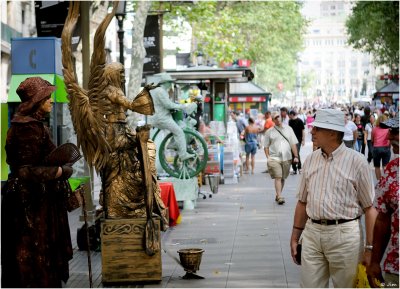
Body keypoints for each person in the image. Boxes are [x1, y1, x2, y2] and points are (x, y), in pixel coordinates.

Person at [290, 108, 376, 288]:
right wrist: (295, 235)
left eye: (317, 128)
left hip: (345, 236)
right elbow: (302, 201)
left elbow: (369, 208)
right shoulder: (311, 160)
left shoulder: (357, 162)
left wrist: (369, 248)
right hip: (312, 233)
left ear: (331, 132)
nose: (312, 131)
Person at [1, 77, 75, 287]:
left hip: (34, 202)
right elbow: (26, 172)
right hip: (29, 206)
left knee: (38, 258)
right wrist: (60, 171)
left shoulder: (32, 125)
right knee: (32, 259)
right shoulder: (27, 129)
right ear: (36, 100)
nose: (51, 101)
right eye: (47, 97)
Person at [367, 116, 399, 288]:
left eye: (395, 132)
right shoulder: (392, 171)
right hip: (395, 268)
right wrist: (374, 261)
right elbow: (382, 219)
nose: (389, 137)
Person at [148, 73, 197, 161]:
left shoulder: (159, 91)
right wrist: (182, 106)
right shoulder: (160, 91)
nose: (171, 85)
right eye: (169, 82)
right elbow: (168, 105)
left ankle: (173, 143)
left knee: (179, 127)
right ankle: (183, 155)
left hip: (161, 116)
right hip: (162, 118)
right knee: (179, 132)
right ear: (165, 82)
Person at [264, 111, 298, 205]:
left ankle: (278, 194)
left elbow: (293, 143)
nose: (278, 118)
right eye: (275, 118)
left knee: (283, 178)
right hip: (274, 158)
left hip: (287, 157)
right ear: (273, 120)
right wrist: (268, 158)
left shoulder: (289, 129)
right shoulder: (269, 132)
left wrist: (296, 156)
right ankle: (279, 196)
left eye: (278, 117)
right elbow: (266, 146)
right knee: (278, 177)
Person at [371, 114, 391, 180]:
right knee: (385, 166)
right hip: (386, 148)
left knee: (377, 167)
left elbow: (372, 140)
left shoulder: (374, 129)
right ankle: (385, 181)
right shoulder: (388, 129)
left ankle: (379, 182)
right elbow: (390, 140)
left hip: (376, 148)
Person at [289, 110, 305, 175]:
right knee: (292, 154)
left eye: (289, 115)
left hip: (298, 139)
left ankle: (300, 168)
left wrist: (303, 140)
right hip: (291, 140)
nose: (289, 116)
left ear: (292, 114)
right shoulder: (290, 121)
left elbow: (303, 130)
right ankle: (294, 169)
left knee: (296, 153)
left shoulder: (300, 121)